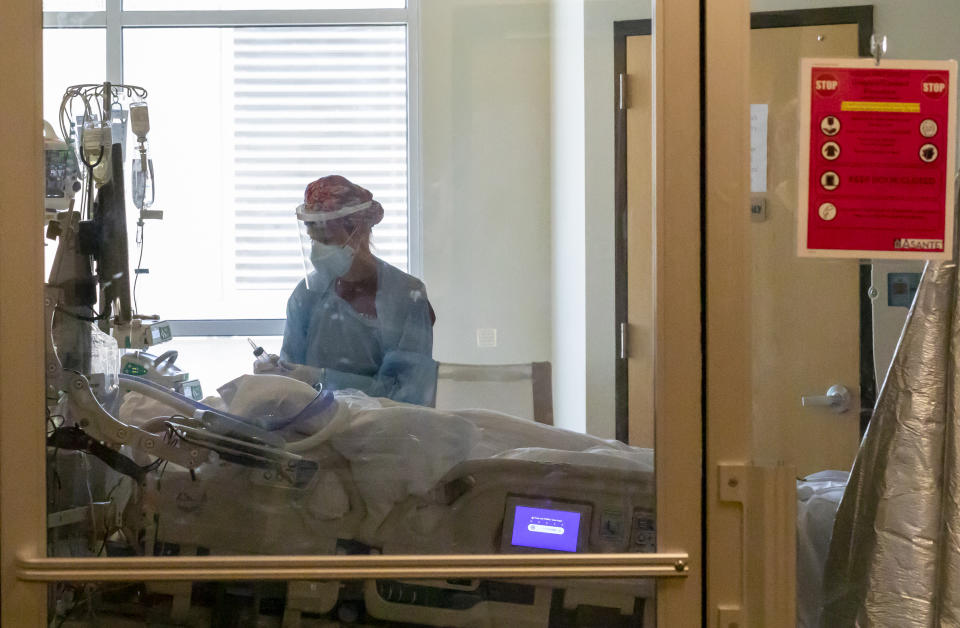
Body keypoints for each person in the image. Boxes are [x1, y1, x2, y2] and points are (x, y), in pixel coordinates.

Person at [255, 175, 437, 406]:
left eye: (327, 239)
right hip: (315, 432)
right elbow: (290, 387)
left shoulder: (406, 295)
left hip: (386, 432)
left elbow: (410, 395)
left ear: (358, 232)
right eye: (313, 240)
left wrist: (321, 378)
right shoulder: (307, 296)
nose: (317, 251)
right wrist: (277, 375)